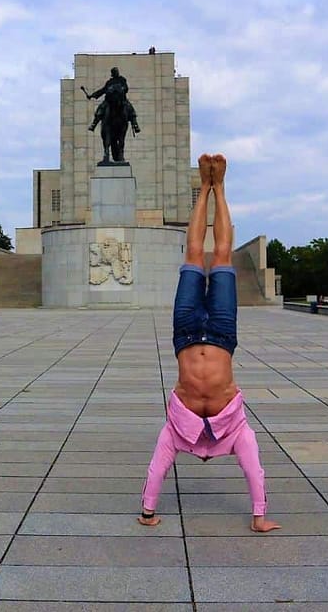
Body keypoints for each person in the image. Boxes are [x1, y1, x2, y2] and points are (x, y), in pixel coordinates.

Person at [139, 153, 280, 534]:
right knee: (220, 256)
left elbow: (157, 468)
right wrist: (259, 516)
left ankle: (206, 186)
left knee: (192, 255)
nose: (202, 452)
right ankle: (216, 187)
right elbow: (254, 467)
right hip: (221, 333)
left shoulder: (175, 432)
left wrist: (149, 511)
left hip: (184, 333)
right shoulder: (237, 432)